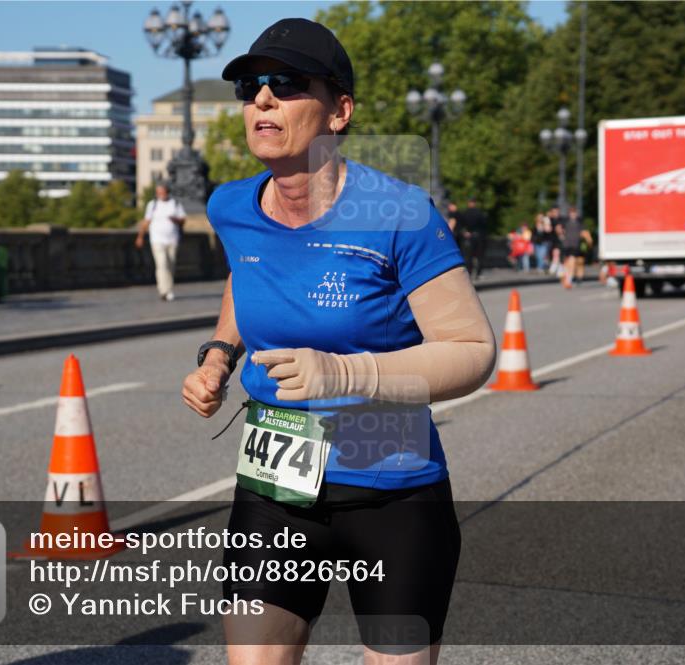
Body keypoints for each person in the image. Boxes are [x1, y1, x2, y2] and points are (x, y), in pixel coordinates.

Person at [181, 17, 496, 664]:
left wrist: (345, 375)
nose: (262, 99)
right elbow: (250, 275)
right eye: (250, 85)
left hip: (391, 488)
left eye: (288, 84)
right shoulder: (231, 207)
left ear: (339, 111)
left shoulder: (398, 213)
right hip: (276, 487)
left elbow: (472, 348)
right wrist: (218, 353)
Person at [135, 183, 186, 301]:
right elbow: (146, 221)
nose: (161, 195)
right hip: (157, 239)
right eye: (159, 193)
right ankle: (164, 291)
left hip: (172, 239)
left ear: (167, 192)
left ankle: (169, 289)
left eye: (163, 192)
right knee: (161, 264)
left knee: (171, 265)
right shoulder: (152, 205)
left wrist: (176, 220)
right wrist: (140, 236)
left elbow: (183, 219)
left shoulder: (175, 203)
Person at [456, 197, 489, 278]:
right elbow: (484, 226)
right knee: (479, 256)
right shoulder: (480, 213)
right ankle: (478, 273)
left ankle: (469, 273)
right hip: (479, 237)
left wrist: (465, 233)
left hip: (468, 237)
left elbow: (460, 225)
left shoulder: (464, 213)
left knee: (468, 256)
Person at [558, 206, 585, 288]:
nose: (573, 215)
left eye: (574, 213)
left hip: (575, 244)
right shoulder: (566, 221)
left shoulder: (579, 222)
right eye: (572, 213)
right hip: (567, 244)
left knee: (572, 261)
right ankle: (565, 275)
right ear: (569, 214)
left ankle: (569, 279)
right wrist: (561, 235)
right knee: (566, 263)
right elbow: (559, 228)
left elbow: (583, 232)